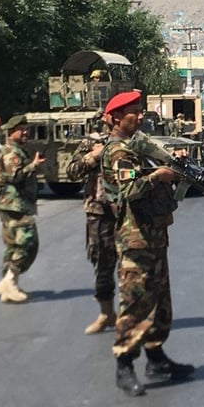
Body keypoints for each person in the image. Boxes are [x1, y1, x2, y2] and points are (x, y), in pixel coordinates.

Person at [100, 90, 194, 397]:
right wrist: (160, 176)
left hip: (153, 236)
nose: (140, 116)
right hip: (134, 240)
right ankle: (124, 364)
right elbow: (129, 189)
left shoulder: (138, 149)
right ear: (115, 118)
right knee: (135, 302)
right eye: (133, 113)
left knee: (159, 301)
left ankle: (156, 357)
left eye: (141, 111)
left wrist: (171, 165)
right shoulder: (117, 152)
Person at [66, 121, 118, 334]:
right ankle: (107, 313)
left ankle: (134, 315)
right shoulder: (91, 142)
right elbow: (71, 171)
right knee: (102, 262)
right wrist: (93, 156)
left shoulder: (135, 142)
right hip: (100, 212)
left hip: (129, 210)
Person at [0, 114, 45, 304]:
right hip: (16, 205)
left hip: (16, 204)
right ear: (11, 131)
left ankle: (9, 283)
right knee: (27, 243)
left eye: (27, 129)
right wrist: (33, 165)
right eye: (21, 129)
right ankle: (9, 281)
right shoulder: (11, 152)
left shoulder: (17, 150)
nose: (26, 132)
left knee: (13, 246)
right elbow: (15, 176)